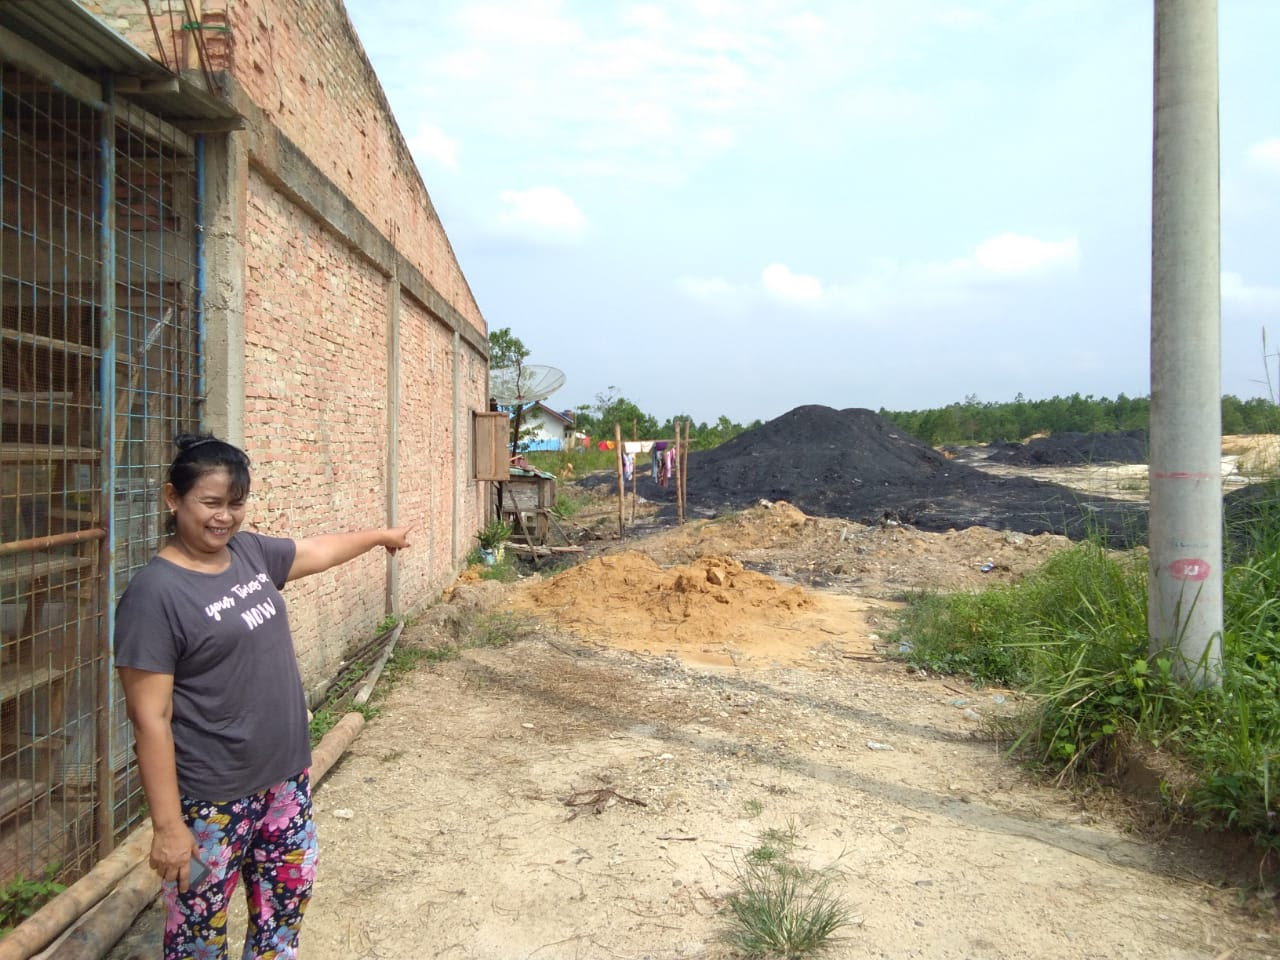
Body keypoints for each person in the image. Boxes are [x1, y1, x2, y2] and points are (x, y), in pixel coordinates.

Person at [114, 434, 413, 960]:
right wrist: (168, 827)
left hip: (284, 780)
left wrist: (379, 536)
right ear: (172, 498)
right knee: (198, 930)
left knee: (285, 906)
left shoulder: (247, 553)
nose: (224, 517)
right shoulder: (154, 595)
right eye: (210, 502)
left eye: (235, 503)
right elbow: (150, 718)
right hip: (212, 800)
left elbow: (317, 551)